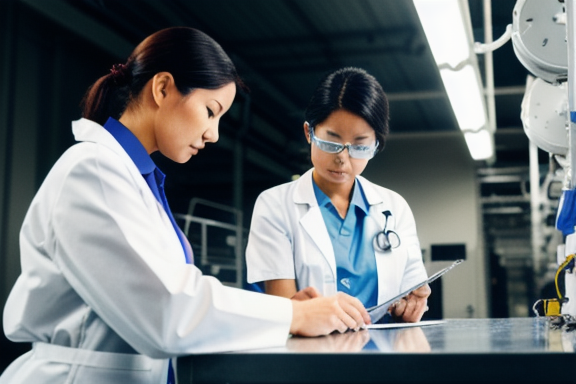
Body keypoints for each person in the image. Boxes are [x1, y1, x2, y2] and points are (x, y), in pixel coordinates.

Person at [0, 28, 370, 384]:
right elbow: (167, 312)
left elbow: (178, 295)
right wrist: (292, 313)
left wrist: (288, 313)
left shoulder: (132, 180)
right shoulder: (92, 170)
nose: (214, 134)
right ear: (162, 88)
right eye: (211, 111)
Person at [245, 67, 430, 323]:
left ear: (375, 145)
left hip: (386, 354)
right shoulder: (275, 206)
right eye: (331, 143)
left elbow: (412, 288)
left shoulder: (394, 208)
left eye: (359, 147)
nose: (342, 158)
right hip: (311, 355)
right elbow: (284, 310)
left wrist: (413, 303)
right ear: (309, 133)